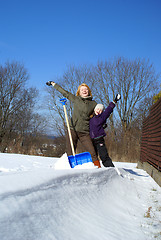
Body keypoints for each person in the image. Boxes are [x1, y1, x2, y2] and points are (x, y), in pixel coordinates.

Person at [46, 81, 101, 168]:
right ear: (79, 92)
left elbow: (99, 112)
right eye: (82, 89)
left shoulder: (93, 103)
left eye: (86, 89)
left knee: (92, 152)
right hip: (73, 130)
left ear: (89, 91)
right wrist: (54, 84)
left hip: (85, 132)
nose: (84, 90)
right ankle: (68, 169)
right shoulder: (76, 99)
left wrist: (100, 108)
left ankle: (98, 168)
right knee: (70, 151)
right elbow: (65, 93)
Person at [89, 94, 121, 167]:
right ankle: (94, 168)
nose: (99, 111)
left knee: (103, 155)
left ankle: (110, 168)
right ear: (94, 109)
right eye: (97, 109)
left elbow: (108, 110)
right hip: (91, 140)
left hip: (99, 139)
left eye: (100, 110)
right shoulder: (90, 118)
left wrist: (114, 101)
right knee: (93, 155)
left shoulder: (102, 117)